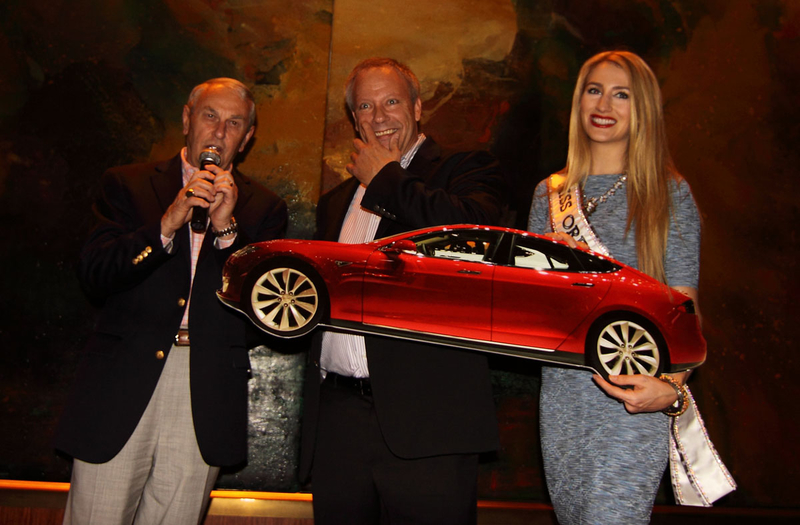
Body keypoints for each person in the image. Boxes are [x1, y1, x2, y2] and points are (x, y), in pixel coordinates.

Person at [55, 77, 288, 524]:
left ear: (247, 137)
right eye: (210, 116)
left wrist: (227, 231)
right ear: (186, 119)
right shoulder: (128, 184)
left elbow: (264, 313)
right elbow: (95, 275)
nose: (219, 132)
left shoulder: (263, 208)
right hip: (123, 381)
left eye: (234, 123)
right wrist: (166, 225)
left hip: (203, 387)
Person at [299, 57, 507, 525]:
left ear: (416, 108)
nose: (378, 117)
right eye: (365, 106)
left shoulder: (464, 169)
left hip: (428, 423)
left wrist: (387, 178)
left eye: (391, 101)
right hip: (339, 421)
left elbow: (472, 239)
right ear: (354, 118)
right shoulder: (335, 203)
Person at [527, 51, 702, 524]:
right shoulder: (550, 195)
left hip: (631, 399)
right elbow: (537, 309)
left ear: (642, 108)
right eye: (594, 90)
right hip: (563, 397)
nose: (604, 104)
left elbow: (685, 309)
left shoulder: (668, 193)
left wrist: (671, 388)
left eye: (621, 94)